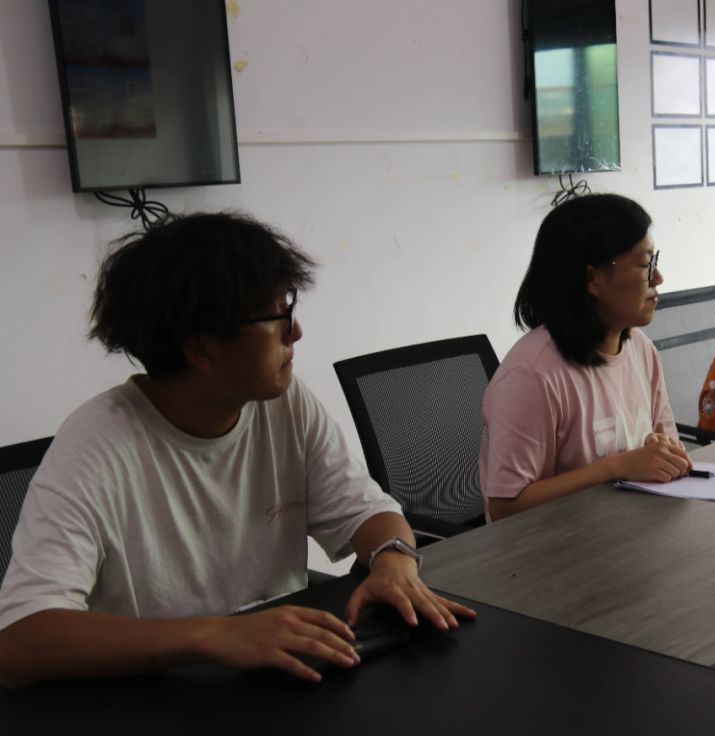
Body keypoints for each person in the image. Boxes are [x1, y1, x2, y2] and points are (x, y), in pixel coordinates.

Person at [0, 212, 474, 688]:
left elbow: (367, 510)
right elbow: (21, 640)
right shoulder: (94, 446)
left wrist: (393, 561)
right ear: (202, 351)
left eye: (289, 307)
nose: (295, 331)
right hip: (153, 699)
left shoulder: (284, 402)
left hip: (276, 677)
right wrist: (216, 634)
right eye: (277, 316)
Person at [480, 193, 692, 522]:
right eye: (645, 264)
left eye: (656, 260)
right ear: (592, 278)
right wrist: (614, 467)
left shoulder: (641, 349)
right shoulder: (532, 374)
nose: (658, 277)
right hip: (555, 545)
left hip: (626, 529)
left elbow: (669, 445)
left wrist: (663, 452)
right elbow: (506, 507)